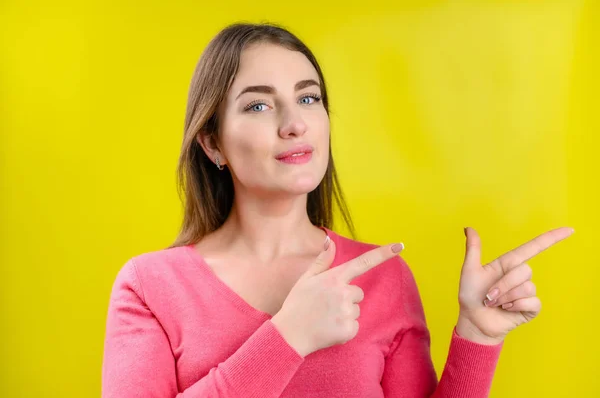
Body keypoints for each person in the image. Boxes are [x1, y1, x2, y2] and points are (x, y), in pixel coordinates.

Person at [101, 22, 574, 398]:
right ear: (212, 143)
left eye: (308, 98)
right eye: (259, 106)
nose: (294, 124)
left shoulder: (384, 278)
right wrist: (286, 339)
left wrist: (478, 336)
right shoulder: (151, 288)